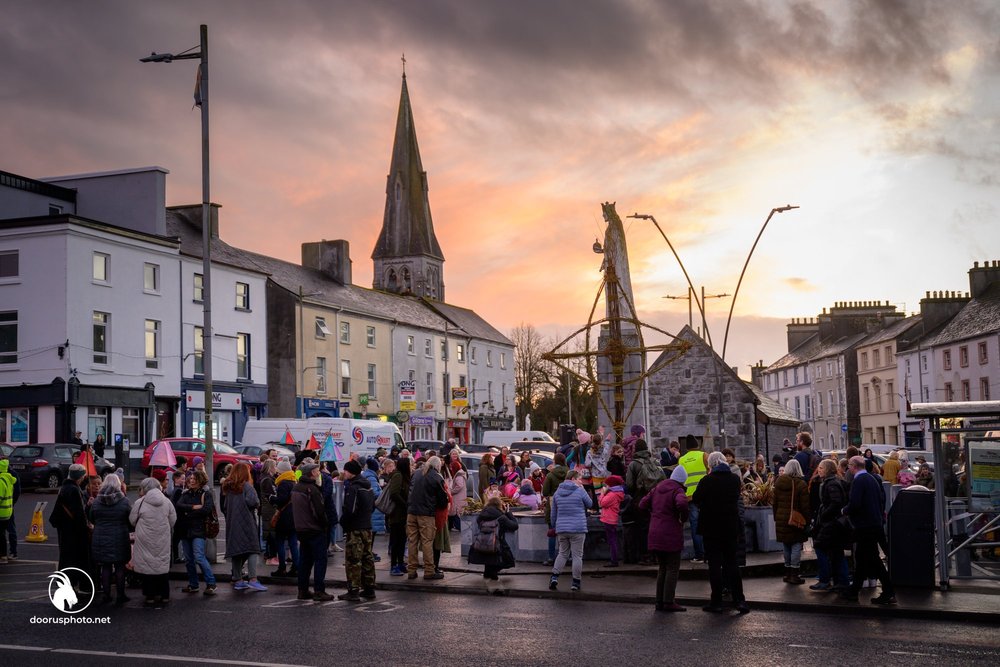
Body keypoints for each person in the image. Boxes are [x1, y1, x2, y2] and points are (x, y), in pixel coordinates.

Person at [693, 451, 749, 614]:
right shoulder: (734, 480)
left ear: (710, 465)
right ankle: (739, 600)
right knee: (732, 564)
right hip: (730, 528)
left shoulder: (706, 481)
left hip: (711, 529)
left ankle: (716, 601)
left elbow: (696, 499)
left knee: (715, 566)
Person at [840, 456, 895, 605]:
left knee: (872, 558)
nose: (848, 469)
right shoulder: (872, 479)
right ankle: (854, 590)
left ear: (853, 466)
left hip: (865, 526)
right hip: (875, 523)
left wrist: (844, 510)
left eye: (849, 466)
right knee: (863, 557)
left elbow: (855, 503)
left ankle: (888, 590)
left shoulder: (859, 481)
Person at [641, 466, 690, 612]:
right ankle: (668, 601)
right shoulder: (678, 490)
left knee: (662, 568)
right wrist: (682, 518)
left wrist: (653, 514)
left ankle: (659, 601)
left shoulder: (658, 487)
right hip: (670, 533)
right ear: (682, 480)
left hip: (655, 531)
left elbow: (642, 504)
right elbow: (681, 503)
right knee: (672, 568)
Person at [220, 462, 266, 592]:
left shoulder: (228, 488)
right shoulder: (247, 486)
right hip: (246, 521)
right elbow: (253, 502)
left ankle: (238, 579)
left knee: (237, 552)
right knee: (252, 549)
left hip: (232, 522)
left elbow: (224, 507)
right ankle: (253, 579)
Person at [130, 477, 176, 606]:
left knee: (147, 566)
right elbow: (173, 520)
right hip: (162, 538)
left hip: (145, 539)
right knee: (161, 565)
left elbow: (132, 520)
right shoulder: (167, 502)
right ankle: (164, 595)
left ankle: (150, 595)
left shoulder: (140, 502)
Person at [291, 462, 333, 601]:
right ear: (311, 473)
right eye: (316, 471)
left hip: (301, 529)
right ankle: (319, 590)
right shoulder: (312, 489)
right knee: (320, 560)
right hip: (314, 529)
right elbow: (318, 512)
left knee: (305, 560)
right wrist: (325, 524)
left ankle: (302, 590)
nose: (319, 473)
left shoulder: (297, 487)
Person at [88, 475, 132, 605]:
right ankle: (120, 595)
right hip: (120, 536)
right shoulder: (124, 501)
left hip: (100, 537)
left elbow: (91, 518)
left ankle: (106, 595)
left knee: (105, 567)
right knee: (119, 567)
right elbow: (130, 520)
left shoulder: (96, 501)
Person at [549, 469, 593, 592]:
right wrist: (583, 490)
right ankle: (575, 582)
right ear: (573, 479)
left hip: (562, 529)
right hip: (578, 528)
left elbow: (553, 514)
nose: (581, 481)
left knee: (562, 553)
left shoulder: (557, 493)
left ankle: (554, 577)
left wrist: (555, 527)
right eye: (579, 479)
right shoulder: (580, 491)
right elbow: (590, 504)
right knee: (577, 556)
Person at [810, 459, 850, 592]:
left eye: (821, 468)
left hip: (831, 523)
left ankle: (825, 580)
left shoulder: (831, 484)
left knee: (820, 547)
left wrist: (824, 515)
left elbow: (835, 503)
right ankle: (840, 581)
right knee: (836, 551)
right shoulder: (832, 482)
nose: (819, 470)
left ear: (827, 469)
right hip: (833, 523)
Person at [50, 463, 91, 592]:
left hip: (64, 528)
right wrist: (86, 527)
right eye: (83, 475)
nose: (84, 478)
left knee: (65, 556)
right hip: (73, 530)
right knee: (74, 558)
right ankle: (70, 583)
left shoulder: (64, 487)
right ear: (79, 476)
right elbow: (78, 513)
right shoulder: (74, 489)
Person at [406, 455, 449, 580]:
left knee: (412, 541)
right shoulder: (436, 477)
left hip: (411, 512)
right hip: (426, 514)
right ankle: (429, 570)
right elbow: (443, 501)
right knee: (427, 542)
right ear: (437, 466)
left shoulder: (417, 473)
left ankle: (411, 570)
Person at [339, 459, 376, 601]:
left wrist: (343, 522)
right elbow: (372, 506)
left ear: (351, 472)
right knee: (367, 558)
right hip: (367, 526)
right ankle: (369, 588)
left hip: (355, 528)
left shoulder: (354, 487)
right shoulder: (368, 486)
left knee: (353, 559)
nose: (344, 473)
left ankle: (353, 590)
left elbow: (350, 509)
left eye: (346, 470)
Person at [176, 470, 218, 595]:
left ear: (200, 480)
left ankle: (211, 583)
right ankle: (193, 584)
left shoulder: (206, 494)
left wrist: (188, 512)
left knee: (199, 557)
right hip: (185, 530)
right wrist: (193, 507)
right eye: (190, 479)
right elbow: (179, 505)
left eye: (194, 479)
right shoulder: (186, 493)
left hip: (199, 530)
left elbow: (206, 509)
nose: (191, 481)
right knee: (189, 560)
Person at [624, 439, 663, 565]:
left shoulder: (633, 464)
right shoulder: (655, 461)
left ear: (636, 449)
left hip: (640, 500)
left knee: (642, 528)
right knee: (656, 527)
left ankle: (645, 555)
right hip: (657, 500)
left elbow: (629, 484)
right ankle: (657, 555)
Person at [771, 459, 810, 585]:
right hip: (794, 520)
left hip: (782, 519)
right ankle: (794, 574)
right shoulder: (800, 484)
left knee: (786, 546)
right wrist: (807, 521)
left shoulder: (778, 482)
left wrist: (777, 517)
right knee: (796, 546)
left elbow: (774, 502)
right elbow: (805, 506)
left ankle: (787, 573)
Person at [469, 496, 519, 582]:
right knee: (505, 559)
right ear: (499, 505)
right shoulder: (501, 517)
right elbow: (514, 526)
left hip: (482, 541)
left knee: (487, 557)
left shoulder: (481, 515)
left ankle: (488, 574)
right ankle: (493, 580)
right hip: (497, 543)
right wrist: (508, 513)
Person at [678, 434, 709, 563]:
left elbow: (681, 478)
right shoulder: (704, 456)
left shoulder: (681, 460)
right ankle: (709, 553)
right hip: (705, 496)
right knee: (708, 525)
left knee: (695, 526)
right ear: (698, 445)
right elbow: (709, 471)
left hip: (690, 497)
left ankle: (699, 555)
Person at [270, 460, 299, 577]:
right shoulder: (294, 481)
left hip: (284, 517)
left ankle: (282, 567)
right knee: (293, 543)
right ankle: (296, 567)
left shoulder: (283, 483)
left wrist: (272, 498)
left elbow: (281, 500)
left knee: (280, 542)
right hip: (294, 516)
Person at [386, 457, 411, 576]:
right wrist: (405, 505)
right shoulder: (398, 476)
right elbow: (394, 493)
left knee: (402, 540)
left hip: (402, 514)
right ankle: (394, 565)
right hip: (396, 513)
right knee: (396, 540)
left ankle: (400, 563)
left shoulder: (403, 476)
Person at [598, 474, 626, 567]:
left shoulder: (612, 494)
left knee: (612, 540)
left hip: (609, 519)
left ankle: (614, 560)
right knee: (612, 540)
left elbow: (602, 503)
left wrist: (602, 493)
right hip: (612, 518)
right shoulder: (617, 493)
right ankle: (614, 559)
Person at [258, 458, 279, 566]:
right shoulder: (267, 480)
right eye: (275, 466)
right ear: (270, 467)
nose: (276, 468)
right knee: (271, 533)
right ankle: (271, 557)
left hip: (268, 509)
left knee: (270, 532)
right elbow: (272, 496)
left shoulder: (267, 478)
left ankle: (269, 555)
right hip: (269, 510)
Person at [0, 457, 20, 564]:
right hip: (8, 508)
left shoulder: (4, 477)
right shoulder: (11, 476)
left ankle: (9, 553)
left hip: (4, 509)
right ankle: (12, 552)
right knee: (7, 531)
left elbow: (16, 491)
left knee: (6, 532)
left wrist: (11, 503)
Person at [585, 430, 612, 495]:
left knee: (598, 493)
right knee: (605, 492)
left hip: (595, 476)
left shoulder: (589, 452)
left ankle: (599, 504)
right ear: (601, 441)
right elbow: (607, 447)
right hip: (604, 474)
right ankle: (604, 504)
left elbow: (587, 464)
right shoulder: (603, 451)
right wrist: (607, 440)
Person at [447, 453, 468, 531]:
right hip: (460, 497)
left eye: (451, 467)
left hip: (458, 497)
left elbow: (459, 486)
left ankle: (458, 527)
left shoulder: (459, 476)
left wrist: (451, 492)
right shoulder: (460, 474)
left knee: (456, 512)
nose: (451, 469)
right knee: (456, 512)